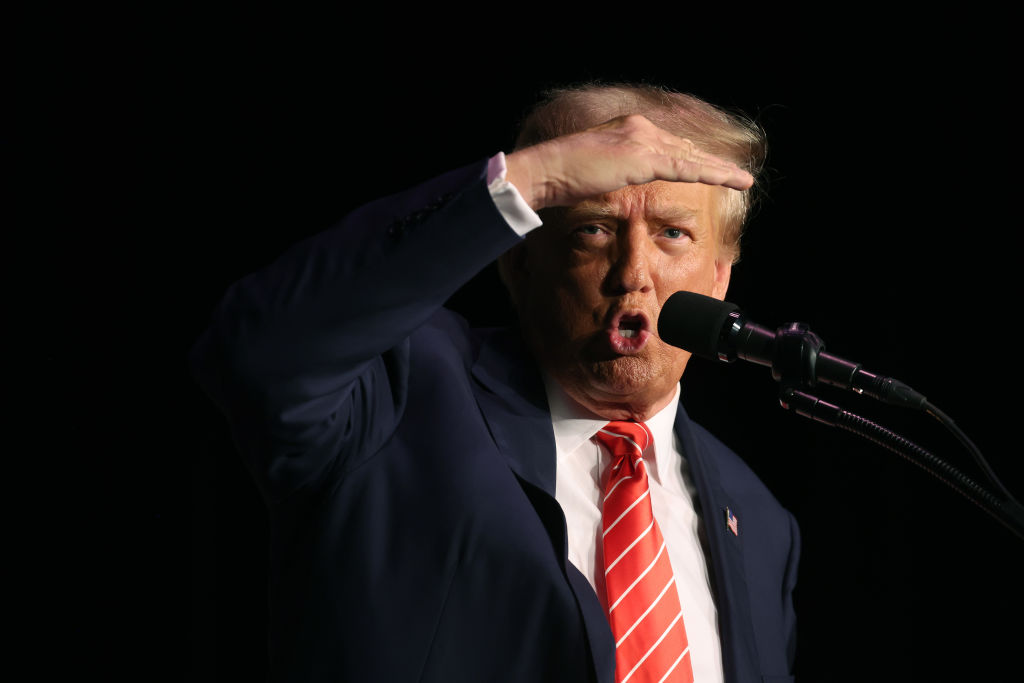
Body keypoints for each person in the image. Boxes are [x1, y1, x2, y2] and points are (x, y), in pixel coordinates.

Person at [191, 83, 799, 683]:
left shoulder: (760, 521)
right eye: (592, 229)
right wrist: (536, 178)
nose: (633, 272)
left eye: (672, 232)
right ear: (519, 260)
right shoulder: (403, 392)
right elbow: (257, 351)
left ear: (719, 278)